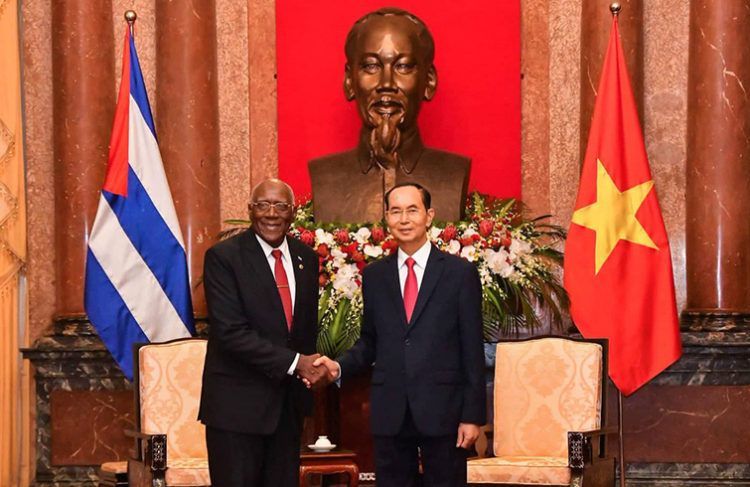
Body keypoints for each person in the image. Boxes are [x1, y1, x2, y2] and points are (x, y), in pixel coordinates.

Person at [315, 182, 486, 486]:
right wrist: (339, 366)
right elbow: (370, 341)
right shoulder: (375, 276)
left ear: (429, 215)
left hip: (444, 411)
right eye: (396, 211)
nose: (404, 219)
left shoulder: (459, 274)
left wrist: (472, 416)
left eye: (412, 210)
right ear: (387, 218)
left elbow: (471, 348)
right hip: (391, 411)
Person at [198, 179, 329, 487]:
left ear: (293, 213)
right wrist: (298, 363)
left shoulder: (306, 259)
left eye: (280, 206)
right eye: (263, 205)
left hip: (287, 410)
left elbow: (303, 331)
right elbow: (230, 332)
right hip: (237, 410)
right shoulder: (224, 257)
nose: (271, 213)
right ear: (250, 210)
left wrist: (312, 370)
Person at [308, 8, 471, 223]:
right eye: (371, 66)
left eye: (403, 66)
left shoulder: (453, 173)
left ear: (429, 81)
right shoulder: (325, 175)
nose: (386, 84)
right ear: (349, 81)